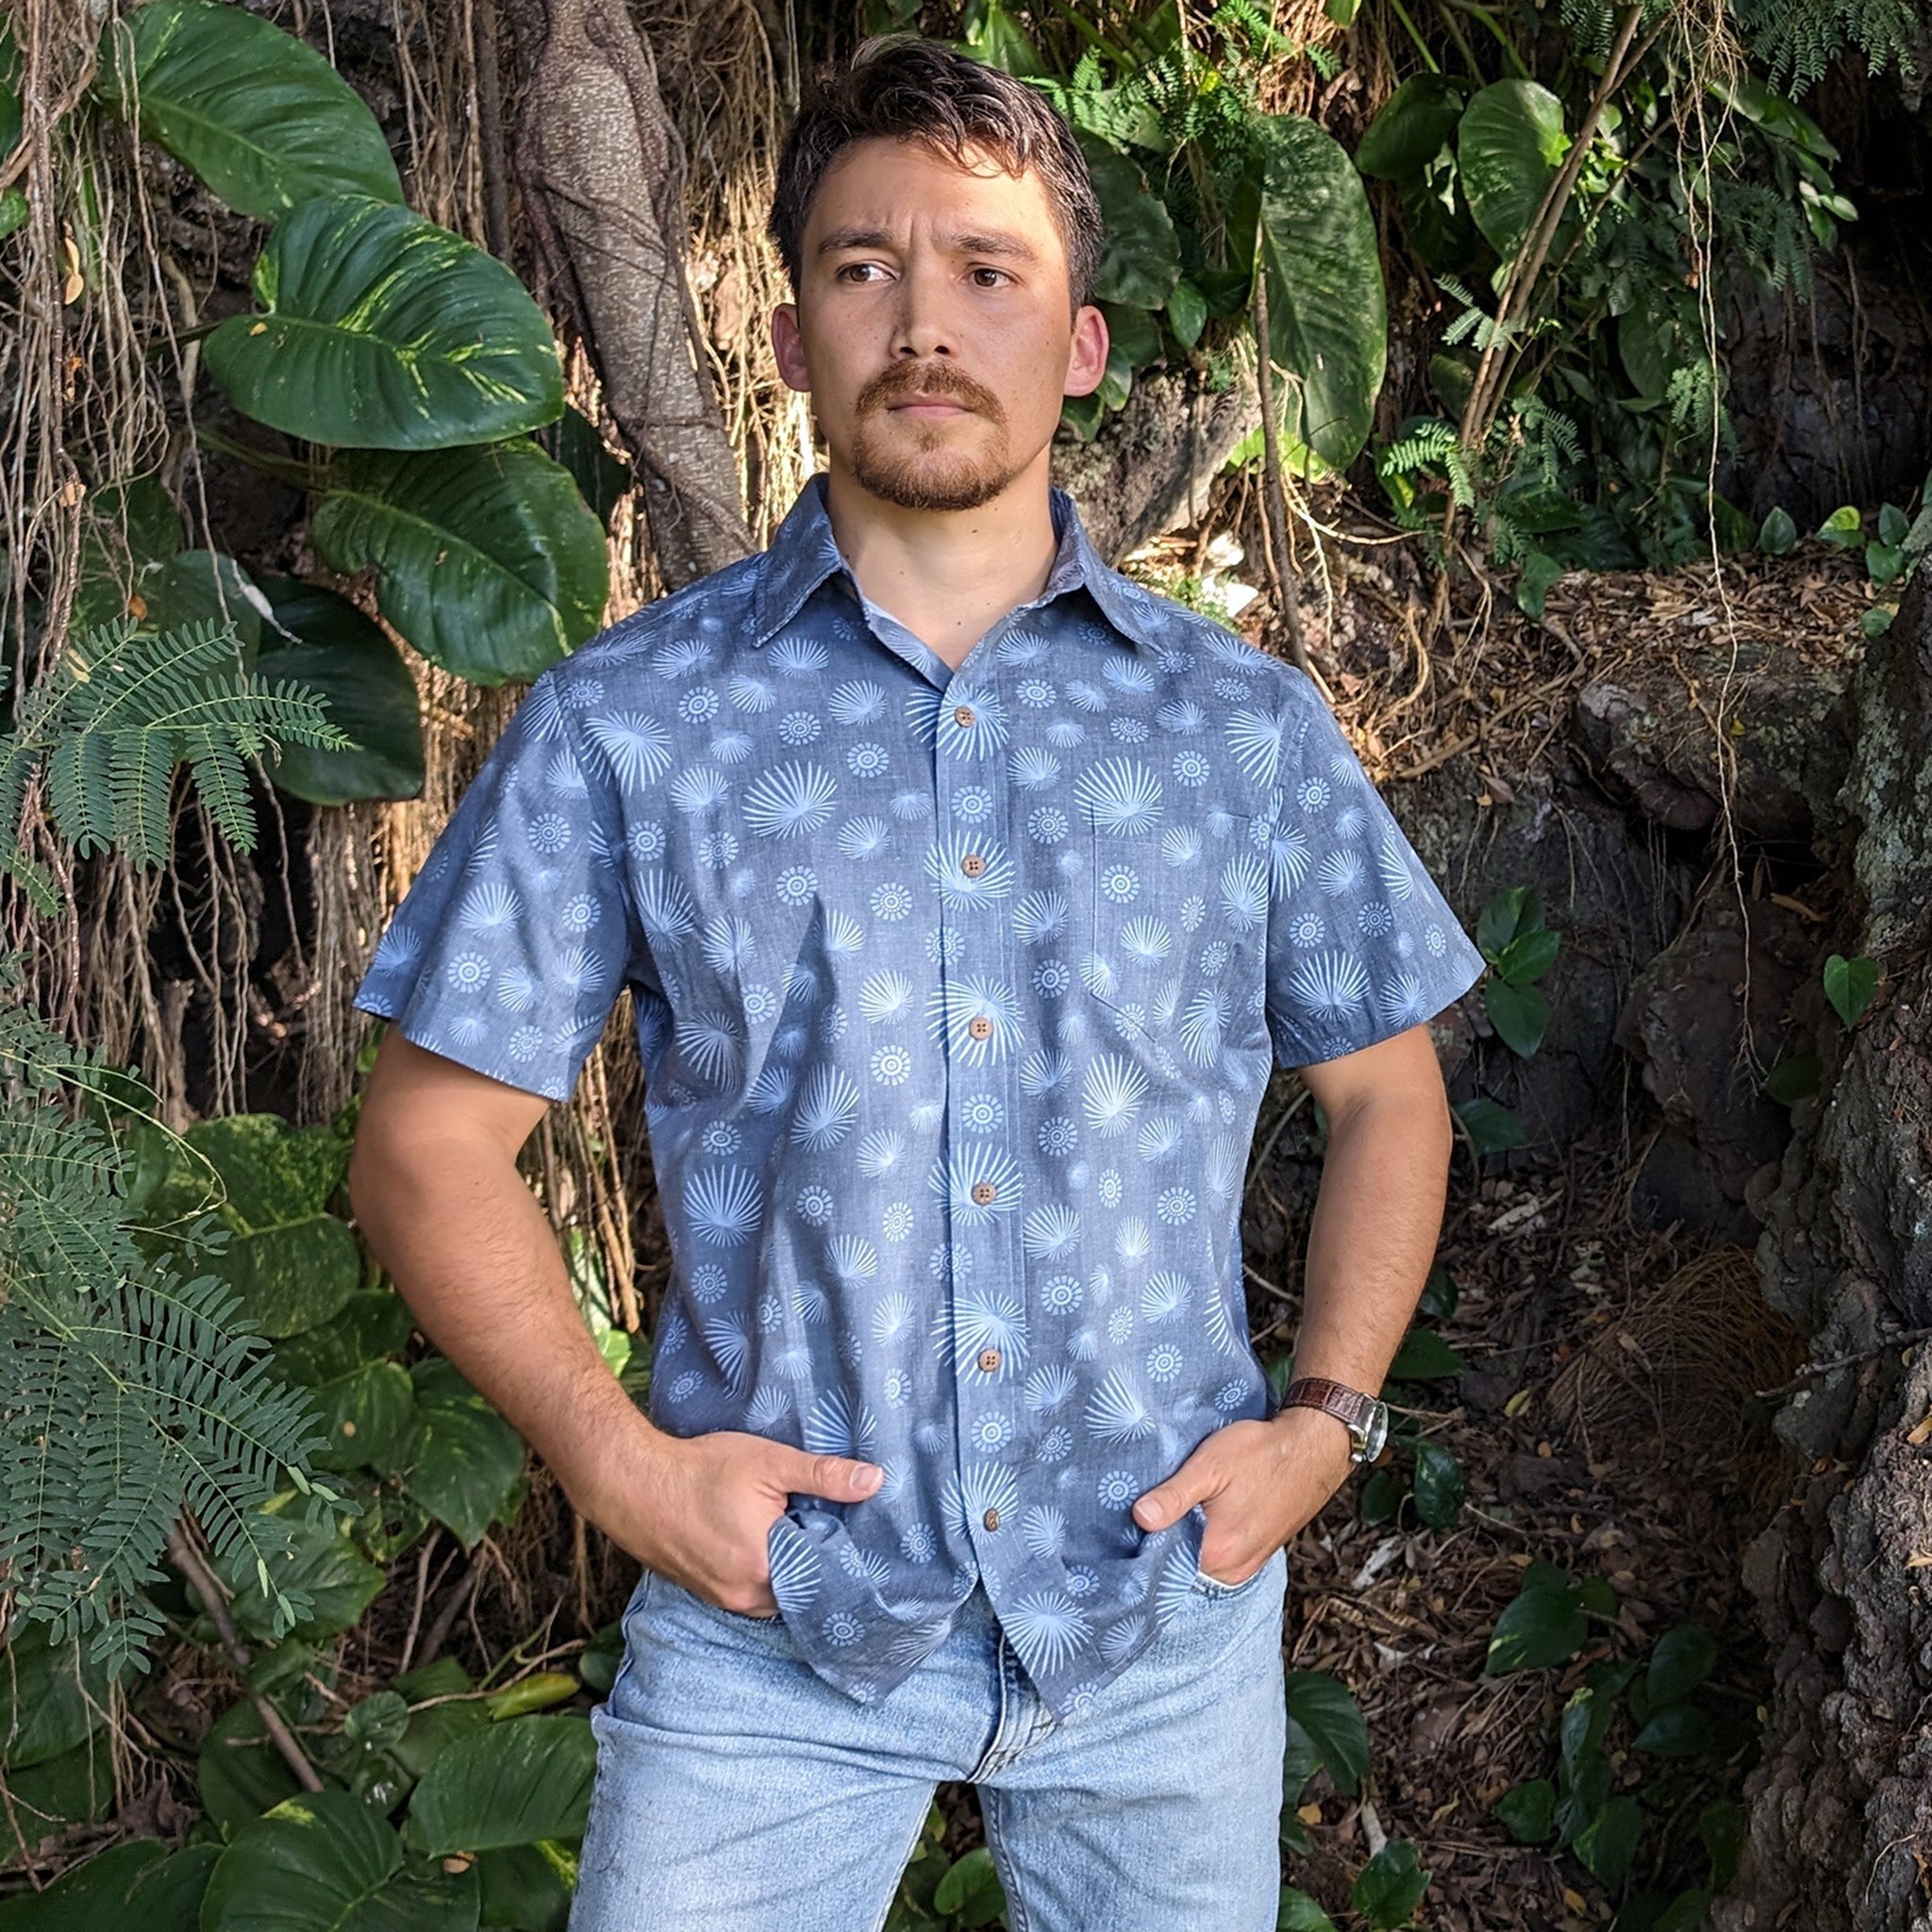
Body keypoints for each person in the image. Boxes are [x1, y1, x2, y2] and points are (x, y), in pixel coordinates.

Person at [348, 32, 1486, 1932]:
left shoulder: (1239, 732)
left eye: (988, 270)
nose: (923, 322)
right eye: (863, 267)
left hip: (1159, 1616)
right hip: (770, 1623)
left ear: (1083, 343)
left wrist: (1327, 1417)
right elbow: (425, 1145)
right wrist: (623, 1469)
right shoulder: (630, 727)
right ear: (788, 337)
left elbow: (1387, 1091)